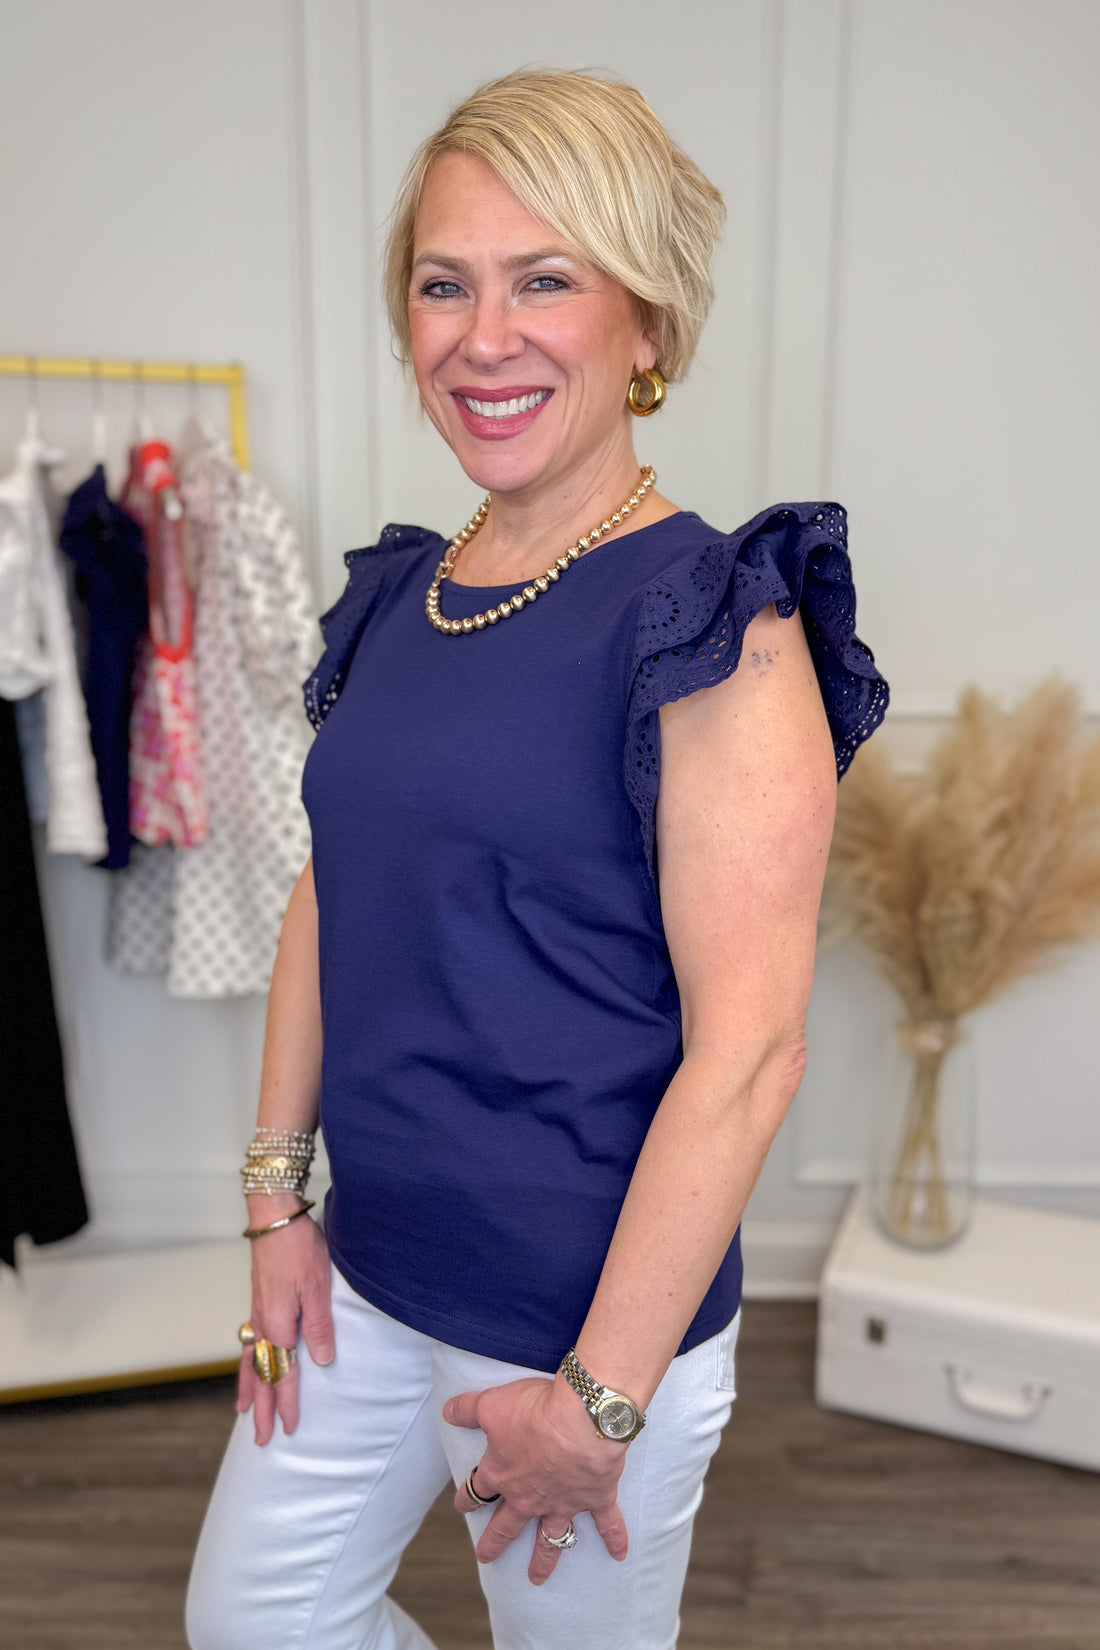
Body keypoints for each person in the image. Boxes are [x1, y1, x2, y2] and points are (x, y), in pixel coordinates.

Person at [185, 68, 889, 1650]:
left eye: (545, 280)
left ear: (647, 325)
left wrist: (601, 1399)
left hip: (578, 1331)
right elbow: (330, 885)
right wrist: (274, 1197)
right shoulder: (405, 596)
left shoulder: (718, 622)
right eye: (446, 283)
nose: (482, 335)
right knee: (256, 1626)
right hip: (366, 1276)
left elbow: (752, 1049)